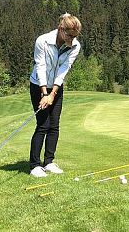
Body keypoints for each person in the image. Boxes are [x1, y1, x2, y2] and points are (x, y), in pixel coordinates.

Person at [29, 13, 82, 178]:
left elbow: (64, 69)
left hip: (56, 88)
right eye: (70, 35)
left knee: (54, 126)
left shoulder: (75, 46)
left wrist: (53, 93)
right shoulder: (43, 41)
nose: (72, 39)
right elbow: (41, 66)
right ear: (61, 29)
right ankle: (34, 165)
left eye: (75, 36)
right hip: (38, 85)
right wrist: (45, 93)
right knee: (43, 124)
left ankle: (49, 162)